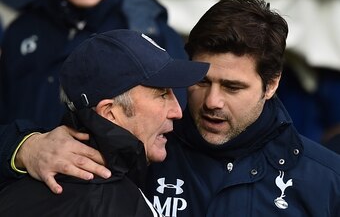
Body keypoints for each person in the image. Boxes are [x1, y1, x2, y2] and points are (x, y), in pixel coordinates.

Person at [2, 0, 340, 217]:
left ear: (272, 84)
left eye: (233, 87)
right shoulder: (138, 148)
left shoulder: (326, 181)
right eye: (202, 82)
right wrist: (23, 147)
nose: (212, 102)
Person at [0, 29, 209, 216]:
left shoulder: (12, 189)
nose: (176, 111)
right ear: (109, 113)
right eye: (162, 94)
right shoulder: (120, 205)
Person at [0, 0, 188, 128]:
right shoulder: (22, 28)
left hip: (108, 176)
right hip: (19, 172)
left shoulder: (148, 29)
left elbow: (173, 116)